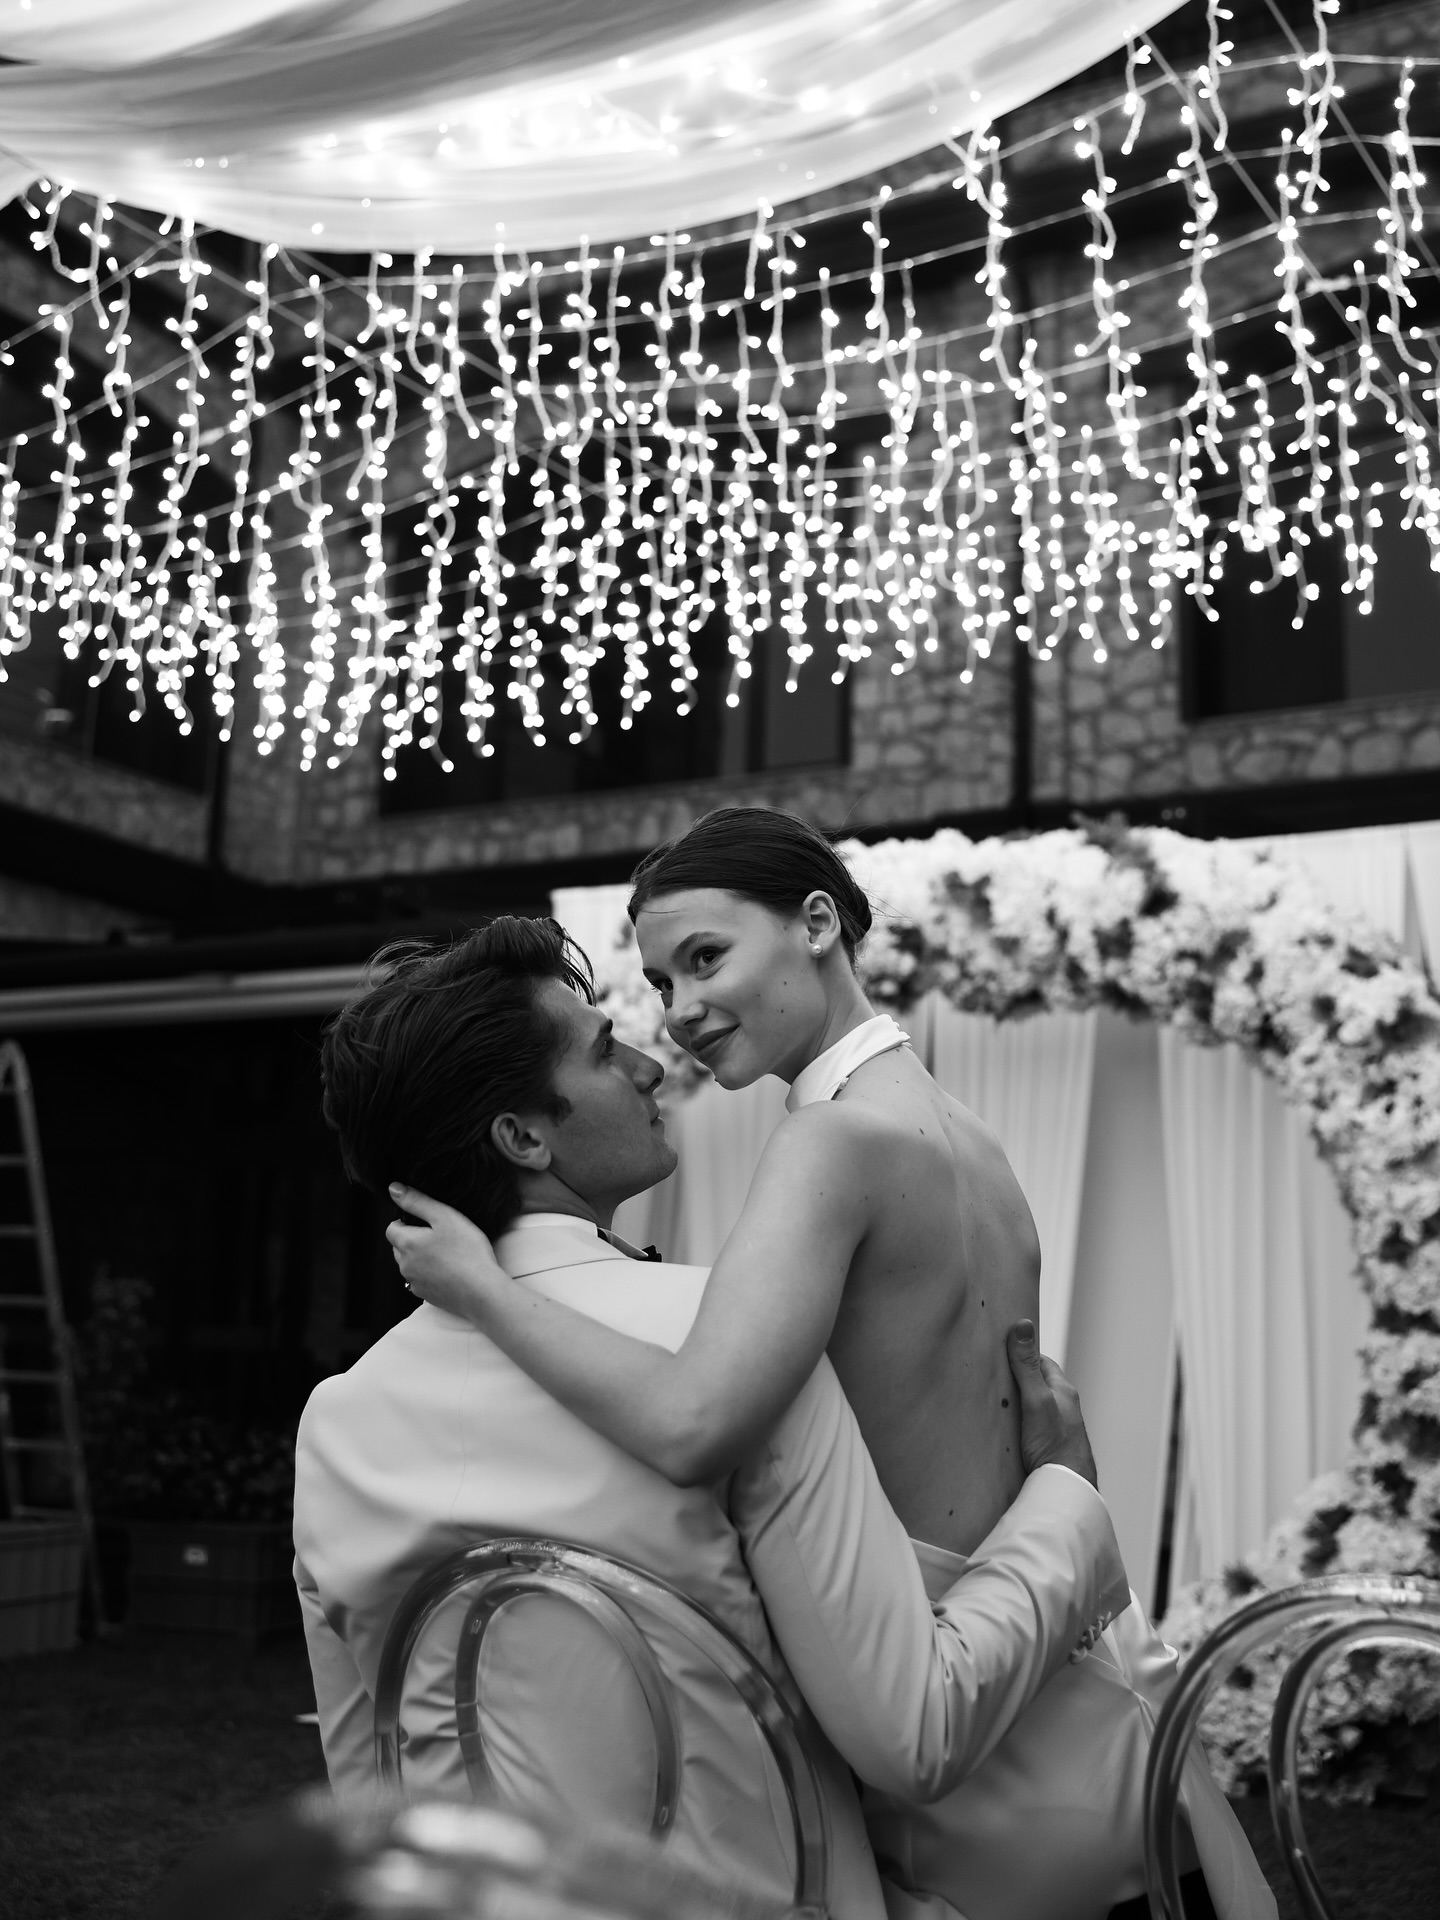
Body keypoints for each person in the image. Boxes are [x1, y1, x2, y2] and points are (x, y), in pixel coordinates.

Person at [388, 812, 1275, 1920]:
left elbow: (694, 1420)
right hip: (1074, 1680)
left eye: (706, 957)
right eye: (661, 982)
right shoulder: (964, 1133)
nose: (682, 1009)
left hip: (964, 1717)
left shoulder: (829, 1142)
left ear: (817, 923)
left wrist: (483, 1290)